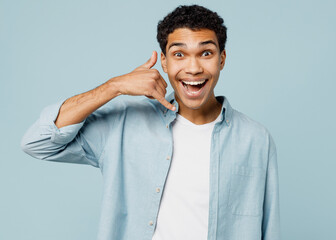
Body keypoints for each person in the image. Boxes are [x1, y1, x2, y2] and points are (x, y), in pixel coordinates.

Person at [21, 4, 280, 240]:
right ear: (164, 62)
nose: (193, 68)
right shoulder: (123, 126)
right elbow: (38, 143)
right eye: (179, 55)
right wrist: (114, 87)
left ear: (222, 59)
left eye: (206, 53)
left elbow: (269, 229)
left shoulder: (255, 139)